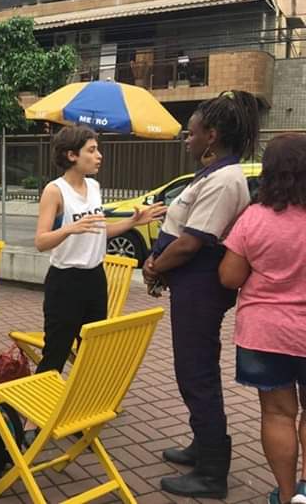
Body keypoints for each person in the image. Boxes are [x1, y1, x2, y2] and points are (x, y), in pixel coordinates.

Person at [143, 90, 261, 499]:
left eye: (190, 134)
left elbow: (193, 241)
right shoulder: (214, 175)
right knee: (194, 370)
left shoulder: (226, 180)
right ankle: (202, 446)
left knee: (197, 375)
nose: (187, 140)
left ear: (210, 135)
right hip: (190, 284)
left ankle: (212, 472)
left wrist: (157, 264)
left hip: (200, 286)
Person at [34, 123, 165, 374]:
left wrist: (132, 222)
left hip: (95, 278)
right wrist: (69, 228)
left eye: (97, 150)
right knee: (56, 353)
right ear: (72, 155)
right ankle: (41, 410)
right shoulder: (55, 190)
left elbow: (100, 230)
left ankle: (82, 405)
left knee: (93, 349)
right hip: (65, 282)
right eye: (92, 150)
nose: (99, 156)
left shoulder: (93, 187)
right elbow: (41, 241)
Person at [219, 133, 306, 504]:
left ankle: (286, 497)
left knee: (278, 413)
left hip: (265, 333)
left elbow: (229, 277)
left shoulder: (253, 219)